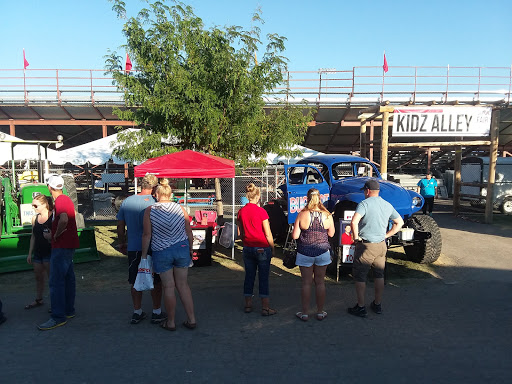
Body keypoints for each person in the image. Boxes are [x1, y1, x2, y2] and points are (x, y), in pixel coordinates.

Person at [141, 179, 196, 331]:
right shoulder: (180, 209)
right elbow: (188, 231)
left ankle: (171, 322)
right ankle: (191, 319)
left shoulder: (150, 210)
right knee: (183, 285)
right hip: (182, 248)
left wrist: (144, 255)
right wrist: (190, 249)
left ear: (156, 194)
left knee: (169, 286)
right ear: (170, 194)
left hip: (161, 250)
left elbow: (147, 234)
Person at [348, 179, 404, 317]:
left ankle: (361, 306)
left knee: (360, 276)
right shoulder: (387, 204)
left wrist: (356, 238)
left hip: (366, 245)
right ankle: (377, 304)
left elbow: (354, 222)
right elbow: (399, 222)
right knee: (379, 274)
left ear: (367, 191)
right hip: (381, 245)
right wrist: (387, 234)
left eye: (364, 191)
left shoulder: (364, 204)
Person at [117, 174, 166, 325]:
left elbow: (120, 227)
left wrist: (121, 242)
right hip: (154, 246)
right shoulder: (156, 202)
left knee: (135, 280)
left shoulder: (127, 202)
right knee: (156, 280)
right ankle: (156, 311)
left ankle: (137, 311)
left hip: (134, 247)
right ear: (154, 187)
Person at [38, 175, 79, 330]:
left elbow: (63, 219)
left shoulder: (61, 200)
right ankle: (68, 310)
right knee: (68, 278)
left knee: (56, 281)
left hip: (61, 246)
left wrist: (55, 235)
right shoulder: (65, 199)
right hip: (67, 245)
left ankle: (58, 316)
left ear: (50, 187)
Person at [292, 188, 335, 322]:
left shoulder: (302, 214)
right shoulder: (327, 215)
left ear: (307, 198)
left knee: (306, 283)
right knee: (320, 282)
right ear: (319, 198)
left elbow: (295, 235)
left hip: (305, 251)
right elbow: (332, 234)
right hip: (322, 251)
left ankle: (304, 313)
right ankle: (320, 312)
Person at [237, 183, 277, 316]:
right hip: (262, 247)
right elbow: (268, 233)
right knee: (263, 277)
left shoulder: (241, 211)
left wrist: (245, 241)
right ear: (258, 196)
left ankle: (248, 304)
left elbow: (240, 232)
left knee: (249, 275)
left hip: (248, 246)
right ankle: (265, 307)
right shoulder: (262, 211)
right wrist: (272, 247)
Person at [25, 194, 53, 310]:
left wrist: (50, 238)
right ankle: (39, 298)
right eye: (32, 205)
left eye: (35, 205)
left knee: (52, 278)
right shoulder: (34, 218)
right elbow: (33, 236)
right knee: (38, 277)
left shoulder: (52, 217)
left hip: (50, 252)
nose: (33, 207)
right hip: (38, 253)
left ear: (44, 205)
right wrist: (30, 253)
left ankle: (55, 302)